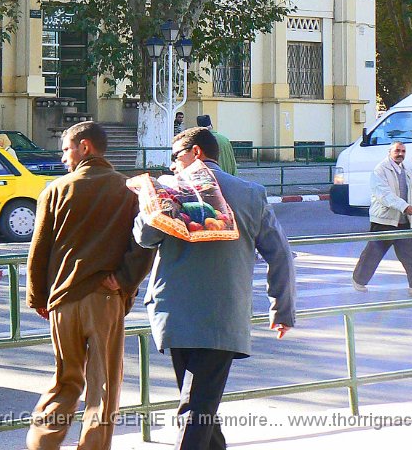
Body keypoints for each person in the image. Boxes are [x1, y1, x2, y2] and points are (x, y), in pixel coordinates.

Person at [134, 127, 295, 450]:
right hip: (223, 316)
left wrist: (151, 202)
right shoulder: (250, 193)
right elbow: (280, 254)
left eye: (176, 157)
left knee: (198, 406)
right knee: (200, 405)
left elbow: (144, 238)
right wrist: (282, 308)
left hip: (174, 315)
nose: (172, 166)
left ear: (196, 153)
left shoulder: (169, 189)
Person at [26, 121, 155, 450]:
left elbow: (39, 250)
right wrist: (124, 282)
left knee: (65, 379)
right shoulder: (126, 189)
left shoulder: (55, 189)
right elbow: (144, 244)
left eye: (66, 149)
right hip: (105, 299)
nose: (63, 157)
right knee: (102, 386)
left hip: (63, 301)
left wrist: (38, 298)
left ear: (85, 147)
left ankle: (42, 442)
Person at [351, 142, 412, 298]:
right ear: (390, 152)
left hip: (402, 221)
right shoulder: (380, 170)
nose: (400, 153)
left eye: (403, 151)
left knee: (410, 255)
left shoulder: (406, 172)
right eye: (397, 150)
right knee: (373, 253)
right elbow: (384, 195)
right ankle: (358, 280)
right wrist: (404, 207)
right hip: (384, 220)